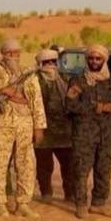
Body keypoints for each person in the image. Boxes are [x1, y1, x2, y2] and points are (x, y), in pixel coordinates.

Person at [0, 39, 46, 218]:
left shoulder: (28, 74)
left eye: (16, 53)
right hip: (2, 123)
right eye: (9, 53)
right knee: (0, 164)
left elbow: (37, 100)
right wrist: (2, 91)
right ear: (3, 54)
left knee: (26, 164)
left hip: (25, 124)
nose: (13, 56)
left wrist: (39, 126)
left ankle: (23, 203)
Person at [66, 44, 111, 218]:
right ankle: (81, 205)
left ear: (104, 60)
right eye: (91, 58)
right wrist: (96, 107)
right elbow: (70, 105)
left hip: (106, 134)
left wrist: (110, 107)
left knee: (104, 169)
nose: (94, 61)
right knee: (81, 169)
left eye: (98, 58)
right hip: (83, 133)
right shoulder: (78, 81)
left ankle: (98, 204)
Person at [33, 49, 74, 203]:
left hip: (65, 131)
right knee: (44, 165)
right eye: (46, 62)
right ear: (40, 64)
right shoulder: (34, 80)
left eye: (53, 61)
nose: (51, 65)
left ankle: (70, 193)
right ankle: (46, 193)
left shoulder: (64, 78)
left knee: (69, 165)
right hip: (43, 130)